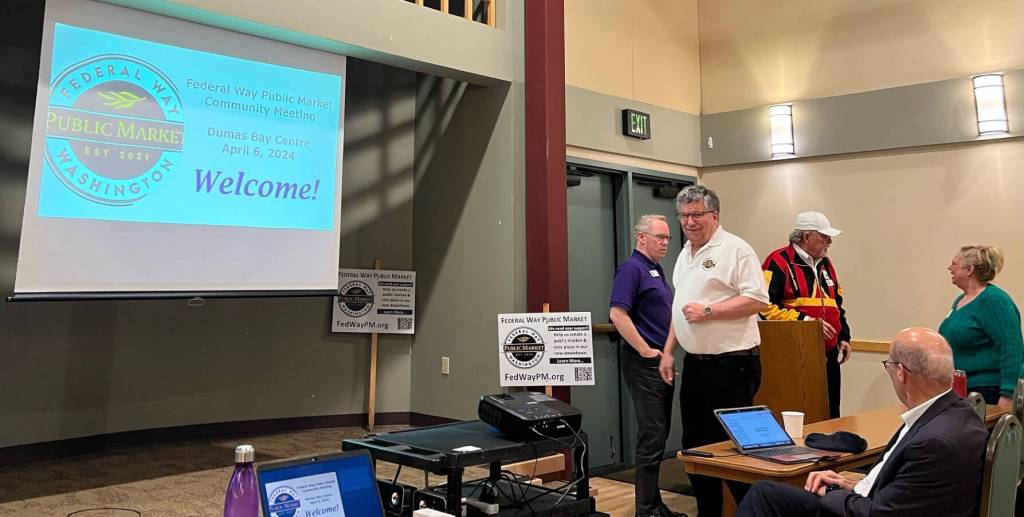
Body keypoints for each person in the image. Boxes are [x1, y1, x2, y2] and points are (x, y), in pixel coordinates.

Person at [735, 327, 988, 517]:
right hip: (883, 499)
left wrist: (835, 494)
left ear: (901, 373)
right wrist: (851, 483)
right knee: (768, 493)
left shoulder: (933, 442)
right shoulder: (958, 415)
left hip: (869, 509)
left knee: (764, 496)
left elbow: (878, 514)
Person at [658, 185, 769, 517]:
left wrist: (711, 312)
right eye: (684, 216)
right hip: (696, 365)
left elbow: (758, 299)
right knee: (696, 450)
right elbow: (680, 309)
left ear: (715, 216)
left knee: (734, 451)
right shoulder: (684, 254)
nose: (690, 222)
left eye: (697, 215)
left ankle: (753, 512)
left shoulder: (736, 250)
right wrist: (668, 352)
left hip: (733, 365)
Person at [609, 214, 685, 517]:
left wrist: (665, 354)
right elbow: (618, 314)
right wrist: (646, 351)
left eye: (667, 238)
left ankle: (655, 504)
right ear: (641, 238)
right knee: (652, 435)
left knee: (660, 433)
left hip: (661, 361)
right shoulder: (631, 268)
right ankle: (645, 509)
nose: (665, 243)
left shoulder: (655, 269)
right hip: (643, 363)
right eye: (659, 237)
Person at [761, 211, 852, 418]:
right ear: (806, 236)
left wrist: (844, 336)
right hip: (795, 355)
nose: (829, 242)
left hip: (827, 353)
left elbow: (836, 303)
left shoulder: (826, 264)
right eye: (824, 237)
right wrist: (806, 323)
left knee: (830, 412)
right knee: (806, 415)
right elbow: (763, 306)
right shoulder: (778, 261)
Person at [938, 245, 1024, 407]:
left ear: (969, 269)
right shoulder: (961, 300)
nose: (949, 268)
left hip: (988, 392)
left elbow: (1012, 349)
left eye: (954, 264)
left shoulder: (994, 300)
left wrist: (1007, 395)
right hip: (962, 388)